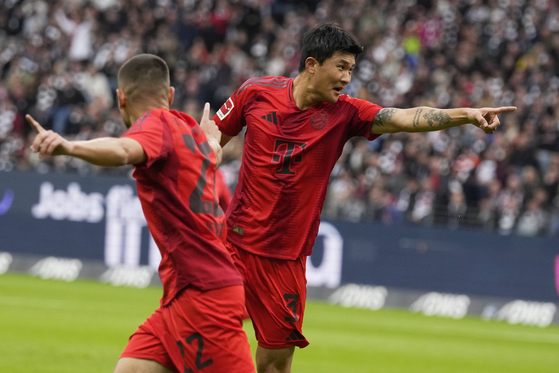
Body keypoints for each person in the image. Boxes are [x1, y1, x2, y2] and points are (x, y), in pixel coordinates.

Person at [211, 23, 516, 373]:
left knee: (274, 366)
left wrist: (466, 115)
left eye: (351, 70)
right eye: (341, 67)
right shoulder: (255, 92)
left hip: (285, 261)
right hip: (233, 246)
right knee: (202, 338)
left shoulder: (346, 113)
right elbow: (211, 139)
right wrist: (206, 161)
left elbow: (403, 118)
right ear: (312, 64)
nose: (346, 78)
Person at [27, 54, 255, 373]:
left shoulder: (155, 124)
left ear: (120, 98)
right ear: (171, 94)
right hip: (183, 293)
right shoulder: (189, 129)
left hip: (204, 295)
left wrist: (69, 147)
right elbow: (208, 156)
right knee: (131, 369)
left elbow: (123, 151)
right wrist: (212, 145)